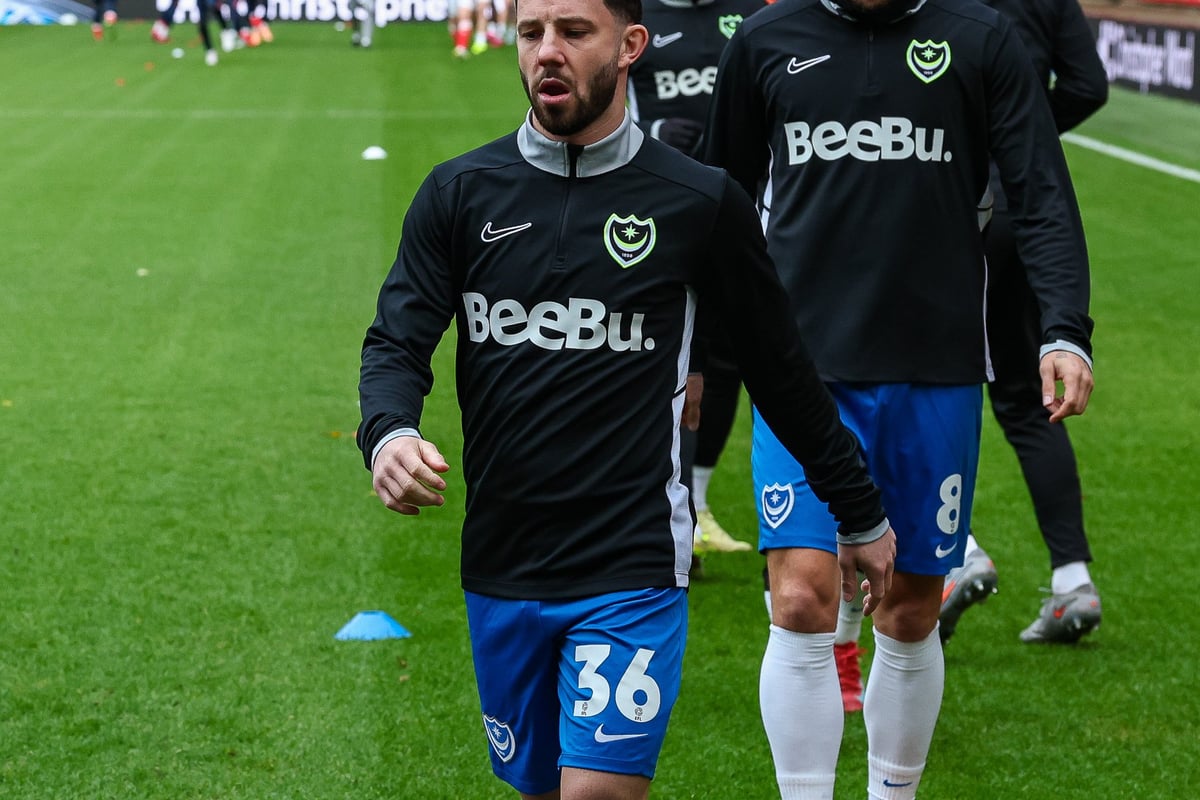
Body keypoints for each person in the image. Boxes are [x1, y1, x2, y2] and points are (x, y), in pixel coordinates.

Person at [357, 0, 898, 796]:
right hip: (502, 563)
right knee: (537, 786)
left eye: (574, 33)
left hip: (631, 560)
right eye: (533, 33)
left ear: (630, 45)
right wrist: (390, 433)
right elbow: (396, 340)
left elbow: (781, 371)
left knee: (598, 792)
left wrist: (859, 511)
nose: (548, 52)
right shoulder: (460, 194)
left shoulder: (700, 203)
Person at [704, 0, 1095, 795]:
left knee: (910, 611)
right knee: (802, 599)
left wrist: (1064, 330)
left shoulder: (980, 38)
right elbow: (719, 200)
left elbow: (1041, 189)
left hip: (934, 370)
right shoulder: (766, 41)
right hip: (800, 372)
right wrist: (693, 344)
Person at [938, 0, 1109, 645]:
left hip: (947, 197)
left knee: (923, 379)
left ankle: (958, 553)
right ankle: (1072, 581)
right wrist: (1028, 133)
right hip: (1023, 205)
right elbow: (1090, 85)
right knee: (1023, 397)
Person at [626, 0, 768, 557]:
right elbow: (595, 99)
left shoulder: (749, 12)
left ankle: (696, 503)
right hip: (658, 210)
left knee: (727, 357)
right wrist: (655, 128)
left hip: (744, 208)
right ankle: (657, 507)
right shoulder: (636, 12)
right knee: (667, 353)